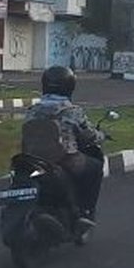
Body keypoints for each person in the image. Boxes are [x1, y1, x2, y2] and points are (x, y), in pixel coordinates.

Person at [22, 66, 105, 233]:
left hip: (31, 160)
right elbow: (87, 134)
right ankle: (86, 212)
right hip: (65, 160)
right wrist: (100, 135)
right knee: (95, 168)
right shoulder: (73, 111)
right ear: (69, 86)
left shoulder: (32, 110)